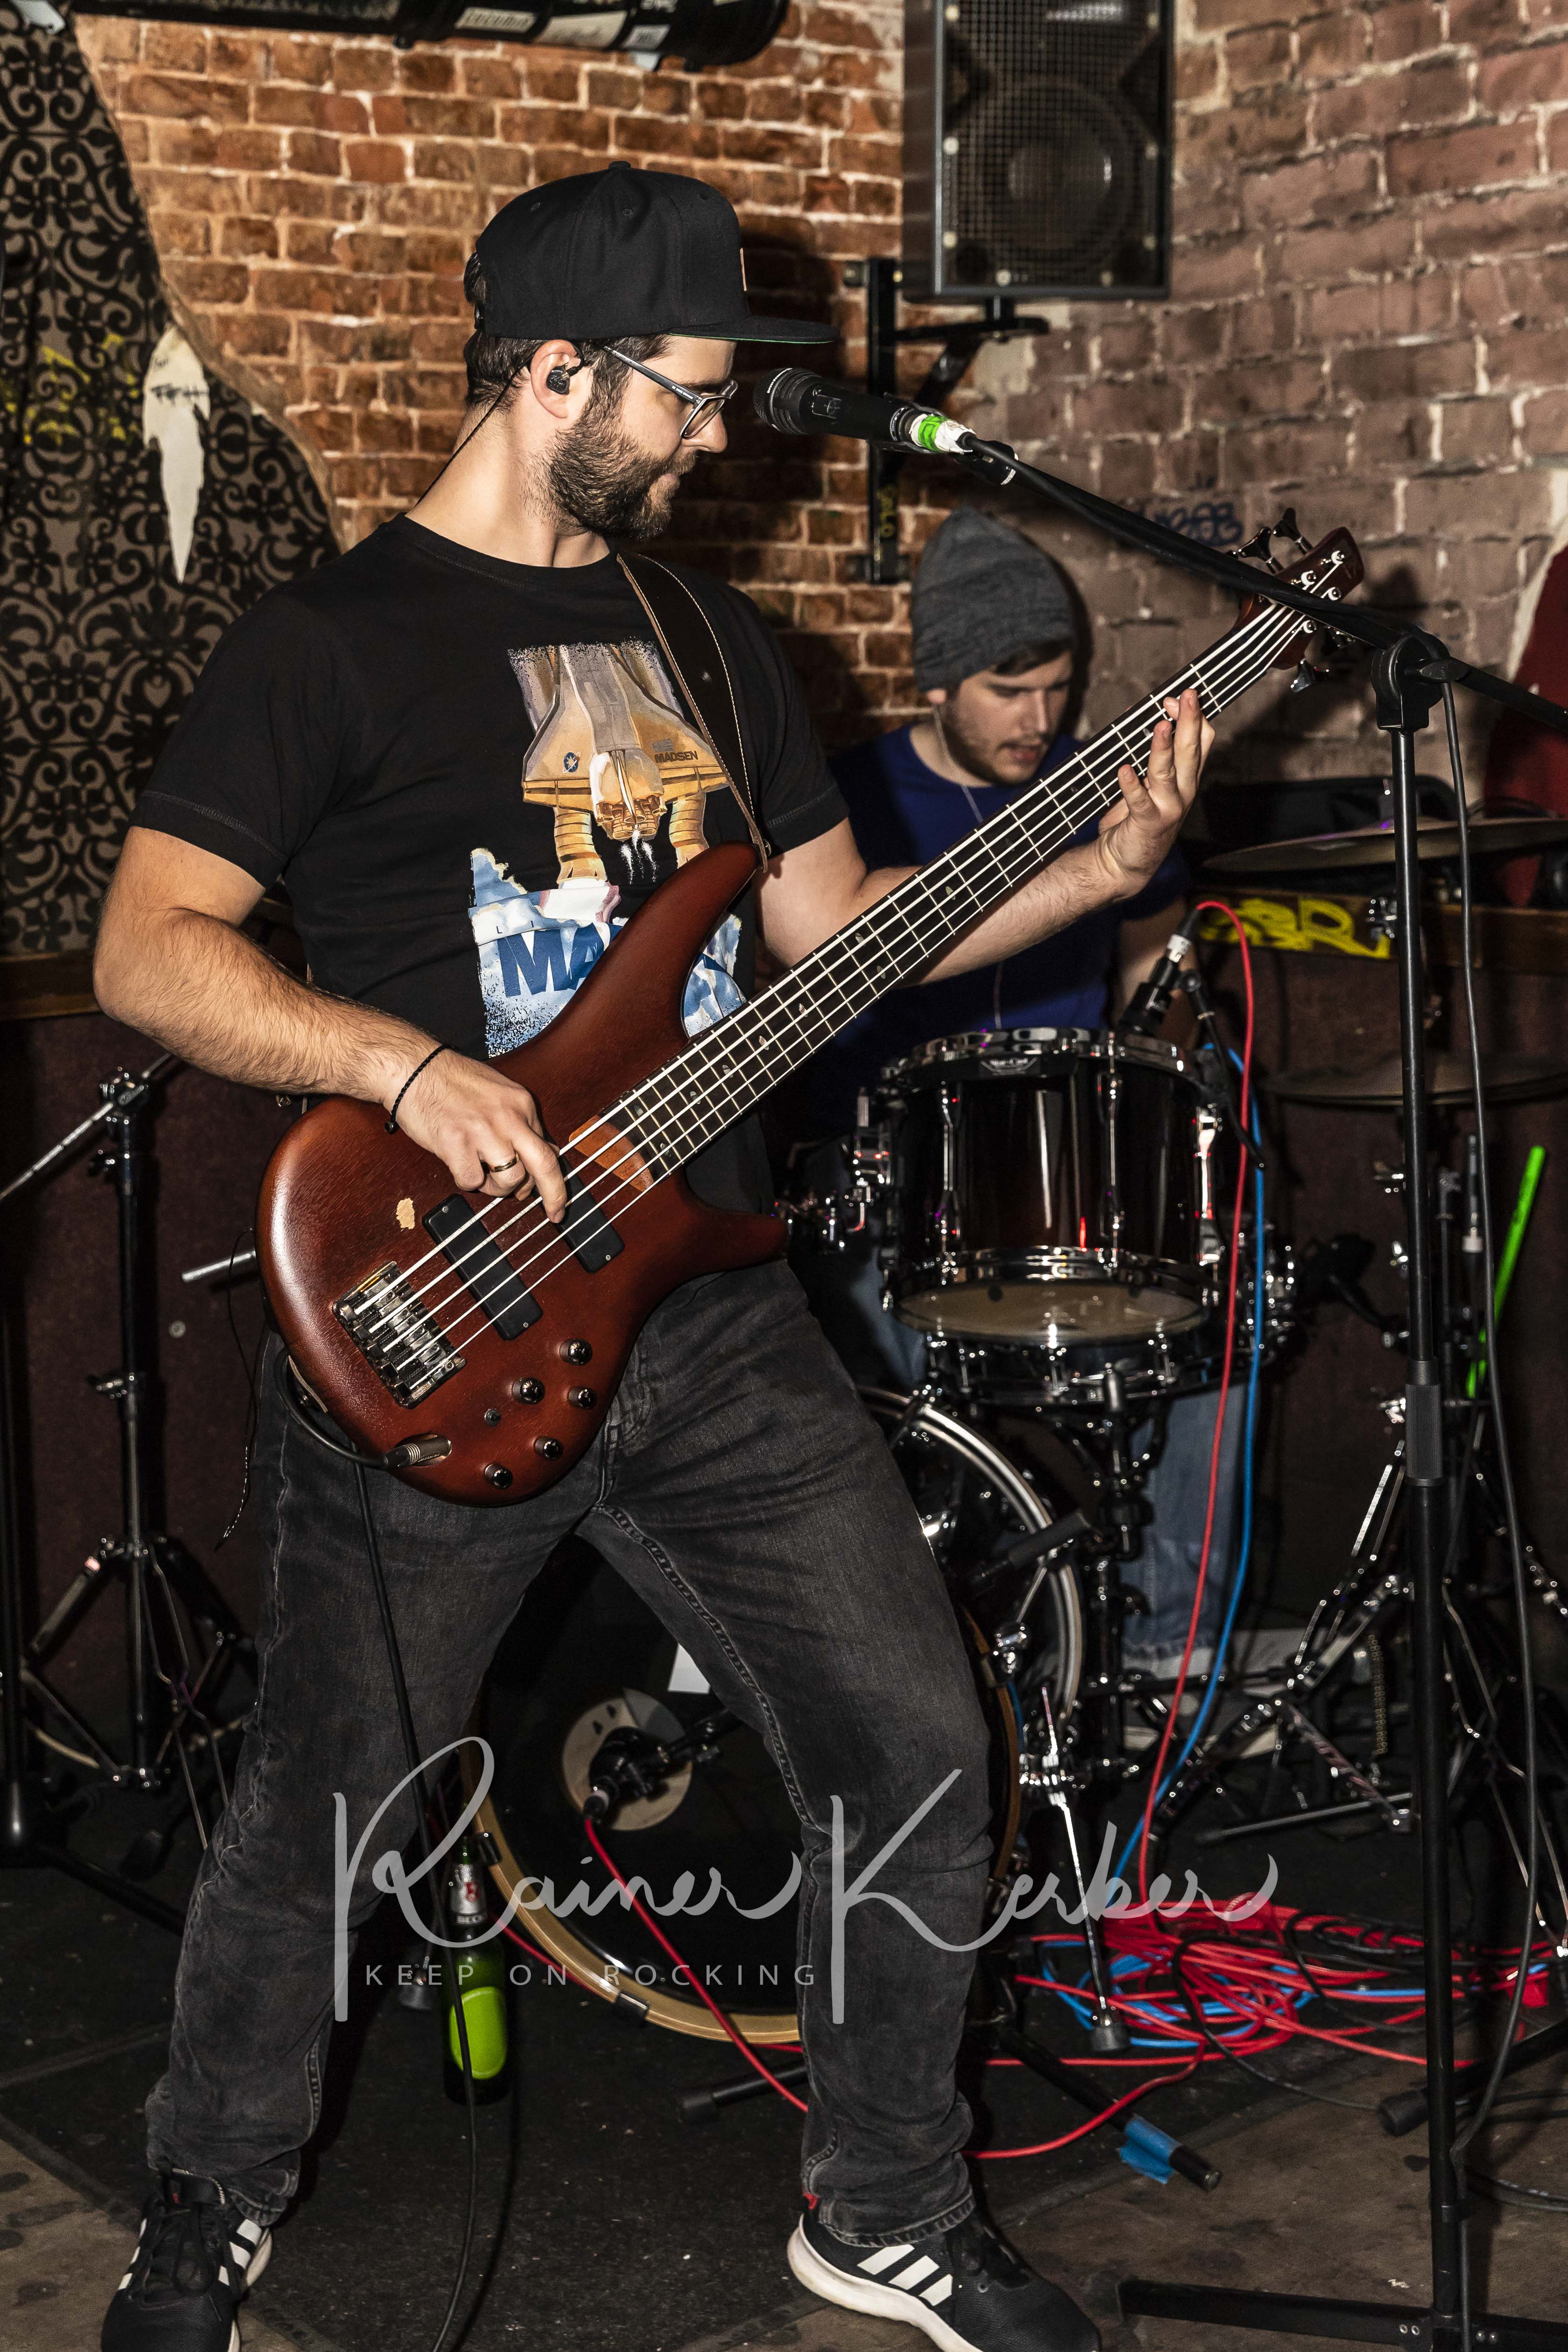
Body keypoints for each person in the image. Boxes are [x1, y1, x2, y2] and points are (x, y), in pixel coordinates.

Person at [92, 163, 1209, 2352]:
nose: (710, 436)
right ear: (554, 374)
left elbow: (828, 936)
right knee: (329, 1802)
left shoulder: (710, 641)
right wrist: (405, 1065)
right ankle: (206, 2199)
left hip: (708, 1314)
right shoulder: (331, 644)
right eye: (683, 395)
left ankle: (882, 2205)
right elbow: (149, 946)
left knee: (916, 1737)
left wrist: (1093, 871)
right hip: (445, 1308)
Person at [790, 508, 1240, 1687]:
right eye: (1008, 689)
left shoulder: (1096, 787)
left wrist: (1168, 1065)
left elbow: (1156, 955)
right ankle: (911, 1660)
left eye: (1057, 687)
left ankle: (1166, 1651)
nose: (1039, 719)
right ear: (938, 680)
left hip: (1070, 1165)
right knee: (872, 1382)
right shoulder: (850, 799)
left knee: (1214, 1317)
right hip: (893, 1168)